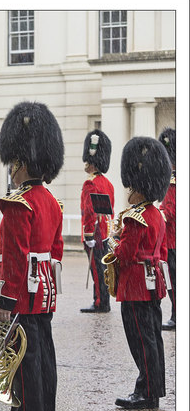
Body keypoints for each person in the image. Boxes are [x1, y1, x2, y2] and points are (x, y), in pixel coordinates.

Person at [0, 101, 64, 411]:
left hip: (24, 294)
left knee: (22, 362)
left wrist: (6, 300)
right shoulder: (50, 201)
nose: (10, 170)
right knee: (42, 358)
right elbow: (56, 250)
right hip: (43, 290)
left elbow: (15, 258)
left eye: (13, 163)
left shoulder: (20, 204)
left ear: (21, 162)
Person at [113, 136, 171, 410]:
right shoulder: (156, 214)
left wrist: (114, 240)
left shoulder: (135, 217)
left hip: (136, 283)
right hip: (153, 282)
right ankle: (153, 388)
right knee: (152, 337)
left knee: (140, 339)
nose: (129, 191)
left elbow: (124, 255)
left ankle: (145, 391)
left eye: (132, 186)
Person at [80, 129, 115, 313]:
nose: (85, 164)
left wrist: (88, 235)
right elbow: (111, 210)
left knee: (97, 270)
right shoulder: (107, 183)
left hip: (95, 233)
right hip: (105, 232)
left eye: (88, 161)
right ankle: (103, 300)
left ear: (93, 163)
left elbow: (89, 211)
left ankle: (101, 302)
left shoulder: (90, 183)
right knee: (103, 270)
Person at [158, 128, 176, 331]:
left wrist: (156, 214)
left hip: (172, 241)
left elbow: (169, 212)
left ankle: (176, 315)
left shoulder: (172, 183)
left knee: (174, 282)